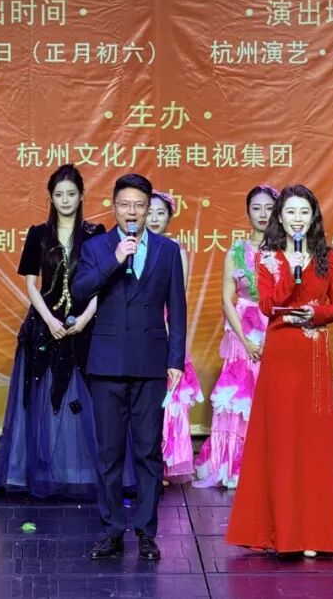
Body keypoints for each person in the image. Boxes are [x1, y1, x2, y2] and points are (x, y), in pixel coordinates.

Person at [226, 185, 333, 557]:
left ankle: (314, 532)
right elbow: (268, 305)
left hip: (313, 354)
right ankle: (281, 532)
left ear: (314, 217)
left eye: (304, 212)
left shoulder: (330, 257)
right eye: (291, 212)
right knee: (281, 439)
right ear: (280, 217)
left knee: (313, 442)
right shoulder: (268, 258)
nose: (298, 219)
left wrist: (316, 312)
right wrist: (290, 270)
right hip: (281, 352)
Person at [73, 173, 186, 561]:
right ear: (114, 207)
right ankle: (111, 531)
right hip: (106, 364)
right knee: (109, 454)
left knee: (148, 452)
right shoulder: (97, 247)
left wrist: (175, 360)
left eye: (139, 205)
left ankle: (146, 532)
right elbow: (79, 291)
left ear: (149, 208)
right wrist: (115, 259)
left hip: (151, 364)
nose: (132, 211)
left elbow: (178, 309)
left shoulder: (167, 250)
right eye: (125, 204)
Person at [0, 165, 106, 499]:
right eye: (58, 195)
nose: (65, 200)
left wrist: (85, 317)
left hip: (86, 325)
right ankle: (45, 471)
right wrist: (50, 321)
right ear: (51, 198)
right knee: (43, 399)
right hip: (44, 325)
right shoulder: (38, 234)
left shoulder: (96, 233)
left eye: (71, 194)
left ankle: (83, 472)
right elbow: (31, 284)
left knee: (86, 397)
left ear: (81, 195)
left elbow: (103, 282)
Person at [194, 184, 278, 489]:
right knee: (241, 399)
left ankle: (271, 467)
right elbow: (227, 300)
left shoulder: (286, 252)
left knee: (272, 398)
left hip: (277, 330)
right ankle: (233, 465)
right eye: (256, 208)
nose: (263, 214)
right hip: (243, 332)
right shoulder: (236, 252)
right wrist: (245, 341)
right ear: (247, 212)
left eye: (269, 208)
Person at [146, 189, 204, 483]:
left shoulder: (175, 251)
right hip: (138, 332)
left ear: (169, 218)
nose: (155, 219)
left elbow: (177, 299)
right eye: (150, 213)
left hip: (165, 330)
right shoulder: (130, 247)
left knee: (168, 398)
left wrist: (171, 337)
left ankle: (165, 462)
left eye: (161, 213)